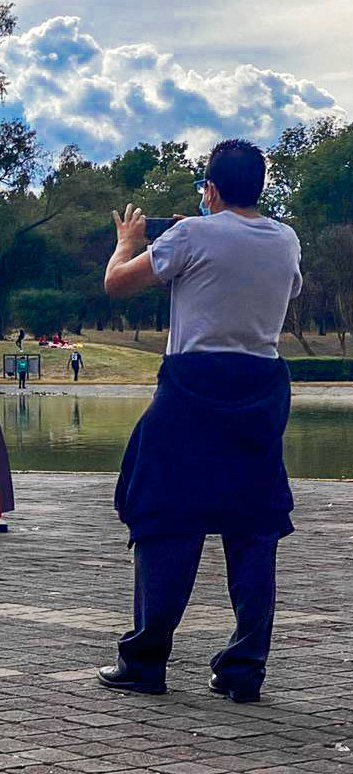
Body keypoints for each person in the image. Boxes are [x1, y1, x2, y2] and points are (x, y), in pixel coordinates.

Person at [98, 139, 301, 703]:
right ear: (261, 186)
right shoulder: (286, 239)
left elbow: (117, 284)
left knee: (165, 516)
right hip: (260, 390)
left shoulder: (190, 233)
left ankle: (145, 661)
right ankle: (244, 670)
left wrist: (127, 243)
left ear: (210, 189)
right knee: (255, 525)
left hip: (192, 386)